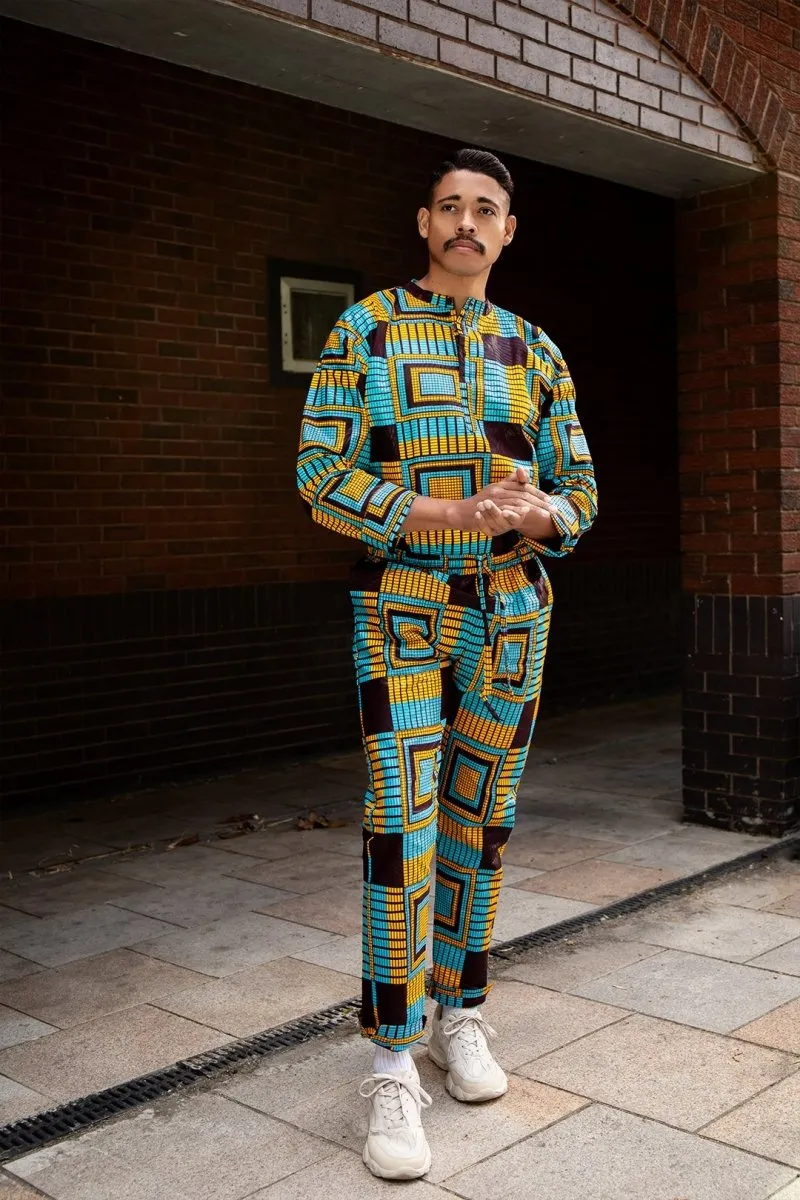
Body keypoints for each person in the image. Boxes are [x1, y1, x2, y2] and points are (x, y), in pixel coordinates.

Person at [296, 147, 597, 1180]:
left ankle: (458, 1013)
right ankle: (387, 1055)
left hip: (513, 611)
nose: (467, 223)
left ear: (507, 232)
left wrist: (539, 513)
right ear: (424, 223)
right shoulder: (366, 329)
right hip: (403, 608)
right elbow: (319, 474)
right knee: (401, 820)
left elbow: (581, 493)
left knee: (483, 818)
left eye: (486, 210)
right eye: (450, 207)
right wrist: (446, 512)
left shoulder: (537, 349)